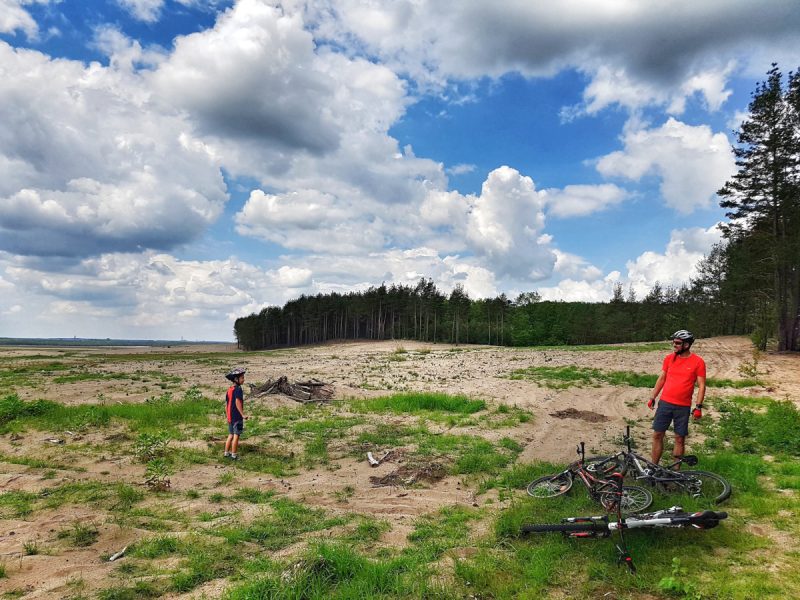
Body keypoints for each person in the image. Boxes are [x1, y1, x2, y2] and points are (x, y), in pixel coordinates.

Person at [647, 330, 706, 468]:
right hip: (665, 404)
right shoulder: (669, 358)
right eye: (673, 342)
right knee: (657, 435)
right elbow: (662, 378)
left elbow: (702, 386)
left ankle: (676, 472)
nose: (674, 345)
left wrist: (698, 407)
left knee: (679, 439)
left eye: (678, 343)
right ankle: (653, 467)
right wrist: (653, 396)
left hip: (683, 407)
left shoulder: (698, 362)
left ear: (686, 345)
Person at [224, 367, 247, 460]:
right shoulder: (238, 389)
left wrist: (227, 415)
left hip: (230, 416)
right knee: (236, 436)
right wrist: (242, 414)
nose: (243, 379)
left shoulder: (229, 389)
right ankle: (234, 455)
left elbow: (227, 404)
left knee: (230, 434)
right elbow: (238, 402)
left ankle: (226, 453)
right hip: (236, 416)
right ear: (236, 379)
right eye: (242, 378)